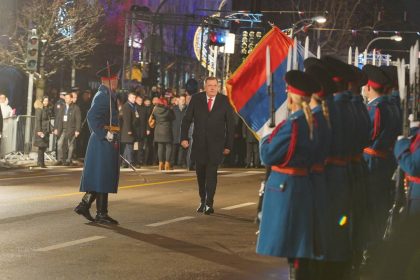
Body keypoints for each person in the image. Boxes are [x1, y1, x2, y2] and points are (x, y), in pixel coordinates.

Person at [256, 70, 319, 279]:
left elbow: (268, 155)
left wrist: (266, 137)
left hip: (289, 188)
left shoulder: (294, 124)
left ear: (291, 96)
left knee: (294, 245)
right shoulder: (313, 121)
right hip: (303, 183)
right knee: (298, 244)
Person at [74, 64, 121, 224]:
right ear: (110, 80)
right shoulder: (103, 95)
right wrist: (104, 133)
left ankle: (85, 205)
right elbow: (91, 117)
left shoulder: (108, 94)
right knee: (102, 176)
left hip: (106, 140)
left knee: (102, 176)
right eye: (116, 78)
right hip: (102, 141)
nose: (118, 81)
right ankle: (101, 213)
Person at [180, 77, 234, 215]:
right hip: (199, 144)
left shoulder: (224, 101)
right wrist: (184, 138)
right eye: (209, 85)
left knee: (211, 174)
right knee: (200, 175)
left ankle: (209, 203)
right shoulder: (196, 99)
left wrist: (228, 144)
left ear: (218, 86)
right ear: (205, 86)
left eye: (215, 85)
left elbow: (230, 124)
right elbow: (186, 120)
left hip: (216, 145)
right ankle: (202, 200)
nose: (212, 88)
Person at [54, 92, 81, 166]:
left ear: (71, 99)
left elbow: (78, 120)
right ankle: (60, 159)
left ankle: (69, 160)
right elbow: (58, 118)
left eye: (68, 98)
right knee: (59, 143)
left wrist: (77, 130)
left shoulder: (76, 108)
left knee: (70, 145)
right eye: (65, 98)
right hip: (62, 129)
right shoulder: (62, 107)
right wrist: (55, 128)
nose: (66, 99)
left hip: (71, 129)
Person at [152, 97, 175, 170]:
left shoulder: (155, 110)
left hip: (158, 130)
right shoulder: (168, 110)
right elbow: (173, 117)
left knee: (160, 147)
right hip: (167, 130)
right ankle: (167, 164)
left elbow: (153, 117)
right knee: (169, 147)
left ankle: (160, 164)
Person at [33, 96, 53, 168]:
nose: (46, 102)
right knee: (41, 147)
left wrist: (51, 129)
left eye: (47, 101)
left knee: (43, 147)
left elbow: (47, 120)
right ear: (42, 101)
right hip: (41, 130)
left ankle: (40, 162)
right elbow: (38, 120)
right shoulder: (39, 109)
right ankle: (41, 163)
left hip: (45, 130)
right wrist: (39, 131)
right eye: (45, 101)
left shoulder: (46, 109)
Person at [120, 92, 137, 167]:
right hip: (128, 129)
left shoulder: (133, 106)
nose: (134, 99)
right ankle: (130, 162)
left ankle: (124, 163)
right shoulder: (127, 106)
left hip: (131, 128)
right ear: (128, 98)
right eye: (132, 97)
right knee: (129, 146)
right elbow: (127, 119)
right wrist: (129, 130)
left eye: (134, 98)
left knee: (128, 146)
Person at [171, 94, 187, 168]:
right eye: (181, 99)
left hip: (183, 131)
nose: (183, 101)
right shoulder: (174, 108)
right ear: (178, 100)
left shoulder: (187, 109)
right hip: (175, 130)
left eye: (184, 100)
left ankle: (180, 163)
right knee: (174, 148)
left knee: (182, 148)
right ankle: (172, 162)